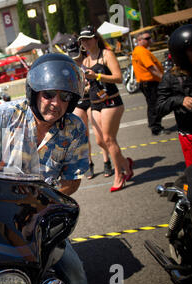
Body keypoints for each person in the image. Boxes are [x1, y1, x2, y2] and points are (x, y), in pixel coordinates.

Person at [0, 53, 90, 284]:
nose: (56, 103)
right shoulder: (5, 116)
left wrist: (36, 204)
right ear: (34, 93)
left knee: (76, 275)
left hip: (43, 216)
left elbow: (72, 181)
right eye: (48, 94)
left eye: (64, 96)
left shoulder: (75, 128)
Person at [79, 25, 133, 192]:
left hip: (112, 101)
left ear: (96, 39)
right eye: (83, 40)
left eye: (88, 39)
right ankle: (125, 163)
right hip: (96, 102)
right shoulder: (86, 60)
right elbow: (91, 84)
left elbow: (118, 78)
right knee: (100, 141)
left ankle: (119, 173)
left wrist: (98, 76)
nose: (85, 42)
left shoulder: (107, 54)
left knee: (109, 139)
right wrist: (86, 86)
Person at [67, 36, 111, 179]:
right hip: (79, 101)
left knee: (99, 133)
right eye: (72, 54)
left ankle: (106, 160)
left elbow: (97, 76)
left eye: (76, 53)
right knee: (83, 135)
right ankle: (89, 163)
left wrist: (87, 85)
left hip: (93, 98)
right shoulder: (68, 65)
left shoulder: (88, 60)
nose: (75, 57)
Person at [157, 24, 192, 168]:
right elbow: (159, 107)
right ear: (181, 53)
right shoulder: (171, 77)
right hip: (189, 134)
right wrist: (180, 100)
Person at [132, 31, 165, 135]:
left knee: (154, 103)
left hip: (148, 82)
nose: (150, 40)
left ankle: (155, 125)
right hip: (149, 82)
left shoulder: (140, 50)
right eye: (147, 38)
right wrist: (162, 78)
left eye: (150, 38)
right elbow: (150, 66)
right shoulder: (141, 51)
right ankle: (155, 127)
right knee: (154, 104)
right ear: (139, 40)